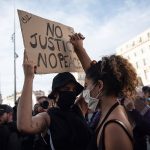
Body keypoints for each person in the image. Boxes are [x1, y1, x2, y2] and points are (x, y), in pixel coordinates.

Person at [70, 33, 139, 150]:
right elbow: (95, 74)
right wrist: (79, 49)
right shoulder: (115, 109)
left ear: (100, 86)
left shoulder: (113, 128)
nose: (85, 91)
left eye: (87, 86)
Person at [17, 53, 91, 150]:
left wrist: (79, 49)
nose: (71, 92)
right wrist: (28, 77)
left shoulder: (79, 109)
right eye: (67, 88)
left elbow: (93, 80)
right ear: (56, 93)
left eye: (73, 90)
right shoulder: (48, 117)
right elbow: (24, 126)